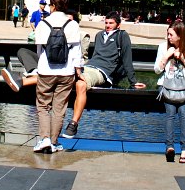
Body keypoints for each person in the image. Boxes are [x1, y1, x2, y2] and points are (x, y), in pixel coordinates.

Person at [62, 11, 146, 139]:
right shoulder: (99, 35)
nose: (107, 25)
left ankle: (73, 124)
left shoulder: (122, 36)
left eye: (111, 23)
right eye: (106, 23)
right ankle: (23, 81)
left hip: (102, 72)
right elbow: (95, 56)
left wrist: (133, 81)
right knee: (58, 75)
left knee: (80, 84)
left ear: (118, 24)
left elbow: (127, 59)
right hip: (88, 66)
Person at [32, 0, 82, 154]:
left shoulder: (43, 23)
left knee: (43, 105)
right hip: (66, 72)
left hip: (46, 70)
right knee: (59, 108)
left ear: (52, 6)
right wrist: (78, 70)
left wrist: (41, 66)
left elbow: (39, 50)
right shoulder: (72, 24)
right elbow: (77, 51)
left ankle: (44, 138)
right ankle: (54, 141)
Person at [2, 9, 90, 91]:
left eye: (69, 20)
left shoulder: (81, 35)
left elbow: (82, 56)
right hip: (48, 61)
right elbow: (39, 48)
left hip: (66, 66)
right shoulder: (53, 29)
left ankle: (23, 80)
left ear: (75, 23)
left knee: (51, 75)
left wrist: (77, 69)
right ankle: (34, 71)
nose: (65, 22)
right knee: (22, 51)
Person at [155, 20, 185, 164]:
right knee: (170, 115)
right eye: (167, 34)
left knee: (184, 115)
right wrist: (166, 56)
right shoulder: (162, 47)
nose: (168, 37)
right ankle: (170, 147)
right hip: (167, 87)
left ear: (180, 35)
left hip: (184, 87)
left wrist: (184, 60)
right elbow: (156, 69)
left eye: (171, 34)